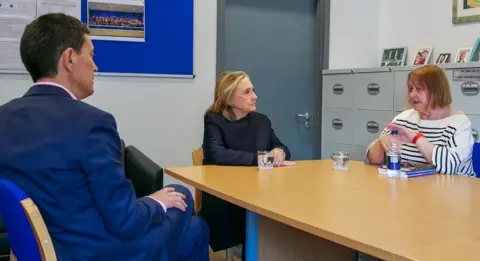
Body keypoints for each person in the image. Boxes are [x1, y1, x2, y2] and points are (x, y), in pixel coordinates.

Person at [0, 13, 209, 261]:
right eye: (91, 54)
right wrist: (155, 203)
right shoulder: (92, 122)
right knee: (181, 196)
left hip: (43, 249)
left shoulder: (5, 117)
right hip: (101, 252)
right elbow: (126, 222)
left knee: (195, 230)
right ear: (69, 59)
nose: (96, 66)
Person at [200, 71, 291, 259]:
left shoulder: (262, 121)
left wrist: (279, 153)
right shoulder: (214, 119)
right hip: (225, 195)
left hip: (261, 192)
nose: (255, 96)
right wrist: (258, 160)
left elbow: (281, 147)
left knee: (286, 214)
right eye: (247, 92)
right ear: (230, 99)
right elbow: (217, 153)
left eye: (253, 90)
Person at [365, 65, 475, 177]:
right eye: (411, 89)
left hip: (453, 191)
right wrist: (381, 142)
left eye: (419, 89)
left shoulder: (459, 124)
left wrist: (416, 138)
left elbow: (449, 166)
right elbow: (373, 160)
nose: (412, 95)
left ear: (437, 91)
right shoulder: (403, 118)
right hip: (410, 189)